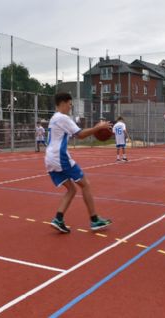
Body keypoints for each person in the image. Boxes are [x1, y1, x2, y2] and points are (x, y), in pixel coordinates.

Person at [46, 92, 113, 233]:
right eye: (70, 104)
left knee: (72, 189)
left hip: (50, 159)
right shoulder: (63, 118)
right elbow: (80, 134)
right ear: (63, 103)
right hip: (60, 157)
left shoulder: (54, 118)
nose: (71, 107)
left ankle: (58, 218)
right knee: (85, 184)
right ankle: (94, 220)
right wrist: (98, 127)